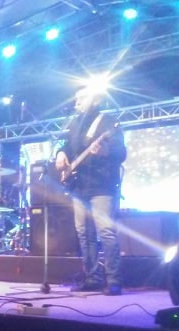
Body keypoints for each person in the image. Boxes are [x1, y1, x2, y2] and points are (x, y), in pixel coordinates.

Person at [55, 88, 126, 295]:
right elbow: (67, 145)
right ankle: (92, 277)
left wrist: (105, 151)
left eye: (82, 98)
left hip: (102, 186)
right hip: (79, 186)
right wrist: (60, 153)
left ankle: (113, 280)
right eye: (76, 98)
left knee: (106, 232)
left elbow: (121, 152)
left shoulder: (109, 122)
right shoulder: (75, 124)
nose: (77, 101)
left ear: (96, 100)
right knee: (84, 234)